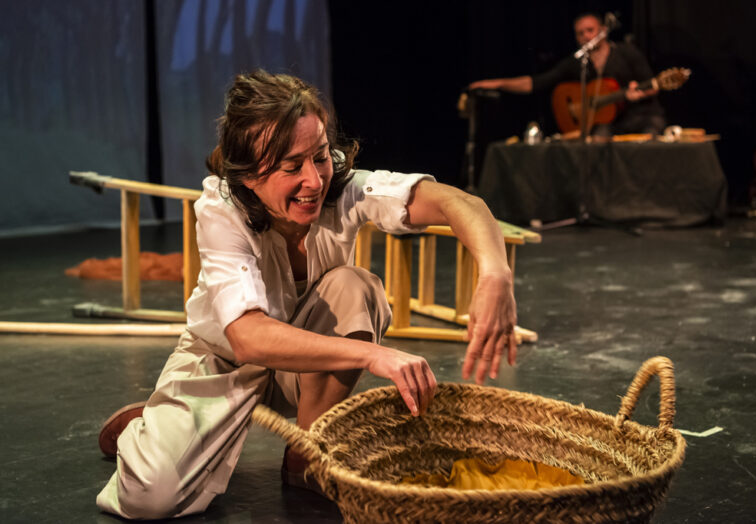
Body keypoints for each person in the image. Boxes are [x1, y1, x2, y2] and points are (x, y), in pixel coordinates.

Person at [95, 70, 519, 519]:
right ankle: (148, 425)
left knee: (357, 288)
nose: (315, 180)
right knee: (150, 498)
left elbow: (460, 203)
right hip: (220, 364)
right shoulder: (221, 207)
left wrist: (495, 274)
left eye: (319, 157)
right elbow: (247, 338)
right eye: (291, 166)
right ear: (249, 177)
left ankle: (307, 452)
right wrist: (375, 357)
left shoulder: (344, 188)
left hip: (304, 369)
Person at [470, 12, 666, 136]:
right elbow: (537, 82)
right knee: (596, 141)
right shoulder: (578, 62)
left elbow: (653, 85)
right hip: (609, 123)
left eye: (590, 30)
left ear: (603, 30)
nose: (586, 36)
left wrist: (639, 93)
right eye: (580, 33)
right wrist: (497, 83)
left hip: (641, 116)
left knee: (651, 134)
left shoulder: (626, 52)